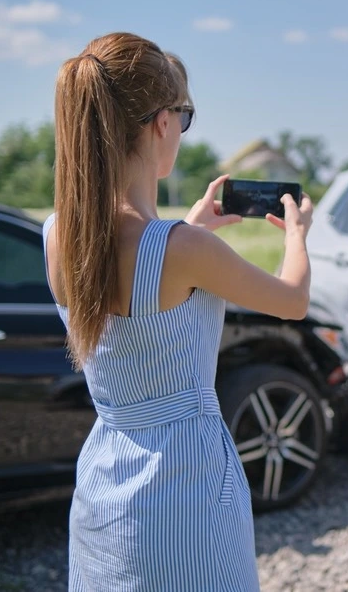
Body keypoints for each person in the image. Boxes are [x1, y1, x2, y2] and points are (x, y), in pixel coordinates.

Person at [43, 31, 313, 591]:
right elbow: (293, 300)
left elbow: (134, 282)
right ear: (161, 123)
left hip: (104, 490)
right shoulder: (182, 250)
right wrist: (297, 235)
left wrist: (188, 231)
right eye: (184, 117)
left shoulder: (56, 234)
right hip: (184, 491)